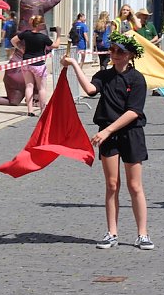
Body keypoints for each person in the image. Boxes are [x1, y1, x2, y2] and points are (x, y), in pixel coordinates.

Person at [61, 32, 155, 251]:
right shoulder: (104, 75)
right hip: (108, 133)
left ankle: (142, 234)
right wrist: (74, 63)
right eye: (112, 50)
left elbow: (133, 112)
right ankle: (111, 232)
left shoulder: (137, 79)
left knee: (135, 186)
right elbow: (91, 90)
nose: (115, 54)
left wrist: (107, 131)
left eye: (120, 51)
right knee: (112, 185)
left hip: (131, 133)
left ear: (130, 55)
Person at [12, 15, 53, 116]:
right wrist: (59, 34)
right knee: (41, 88)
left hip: (26, 63)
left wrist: (21, 49)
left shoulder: (26, 34)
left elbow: (13, 40)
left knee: (29, 86)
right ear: (40, 24)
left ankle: (30, 110)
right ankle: (43, 110)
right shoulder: (43, 37)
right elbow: (54, 45)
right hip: (39, 65)